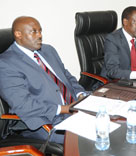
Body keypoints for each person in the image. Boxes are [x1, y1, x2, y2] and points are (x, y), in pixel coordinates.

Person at [0, 16, 87, 144]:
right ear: (18, 34)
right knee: (90, 140)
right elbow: (24, 105)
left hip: (74, 108)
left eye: (40, 31)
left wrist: (81, 95)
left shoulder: (48, 50)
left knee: (113, 122)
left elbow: (67, 76)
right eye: (34, 32)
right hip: (45, 121)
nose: (39, 35)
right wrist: (65, 109)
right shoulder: (6, 63)